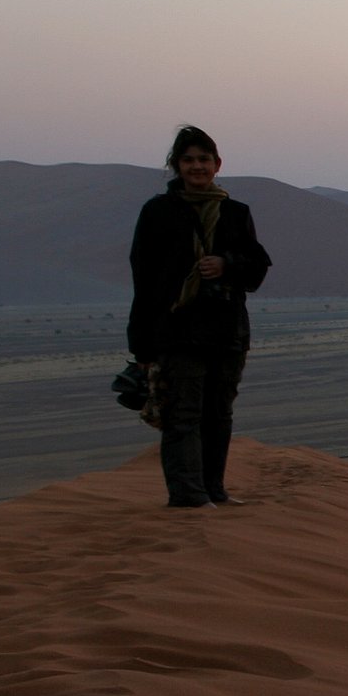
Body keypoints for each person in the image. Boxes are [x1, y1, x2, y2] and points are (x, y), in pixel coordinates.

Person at [127, 125, 272, 508]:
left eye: (204, 159)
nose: (197, 166)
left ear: (217, 164)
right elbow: (143, 277)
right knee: (184, 414)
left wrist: (226, 264)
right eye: (188, 160)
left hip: (226, 330)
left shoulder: (234, 212)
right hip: (178, 331)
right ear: (176, 165)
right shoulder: (159, 212)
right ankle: (189, 498)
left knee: (218, 414)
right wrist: (140, 344)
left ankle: (215, 490)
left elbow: (257, 267)